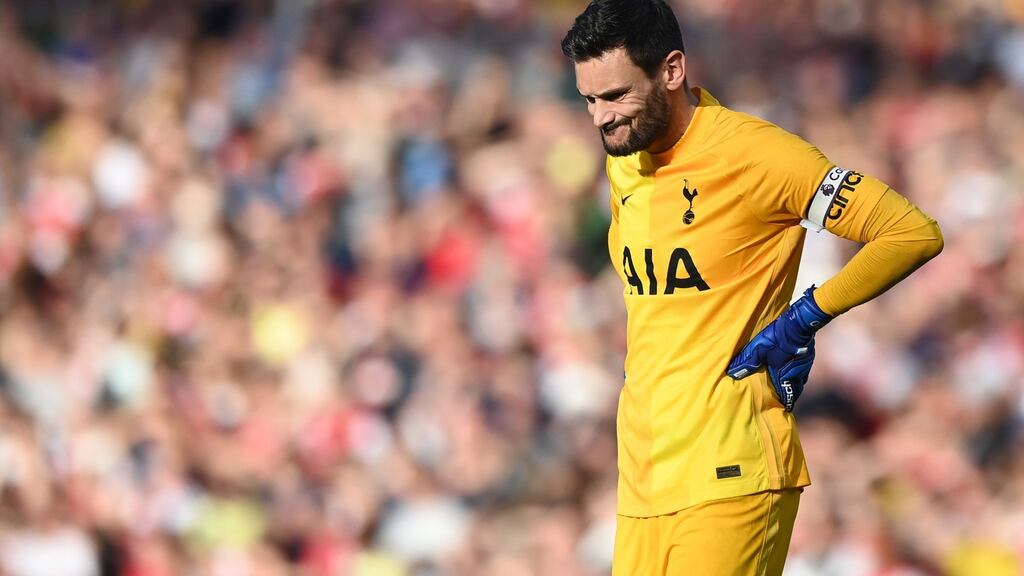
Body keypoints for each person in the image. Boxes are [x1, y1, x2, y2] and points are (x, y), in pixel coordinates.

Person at [561, 1, 944, 574]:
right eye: (589, 100)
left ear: (671, 71)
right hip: (642, 481)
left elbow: (910, 232)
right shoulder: (627, 158)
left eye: (615, 96)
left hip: (730, 468)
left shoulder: (757, 156)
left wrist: (805, 317)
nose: (601, 118)